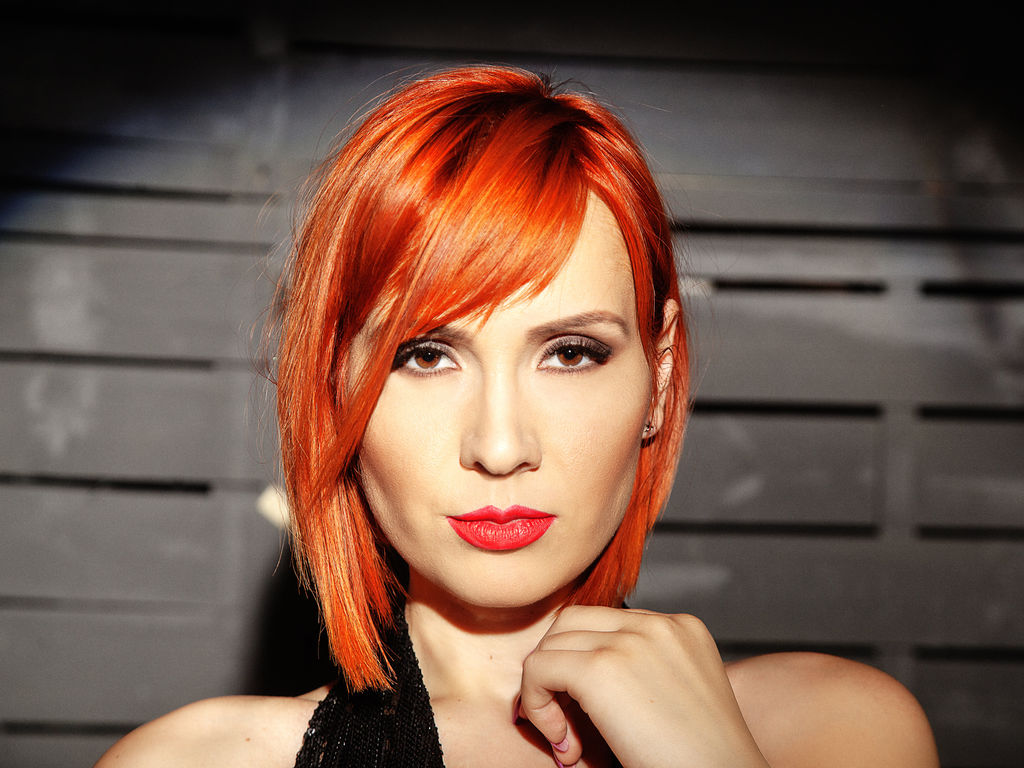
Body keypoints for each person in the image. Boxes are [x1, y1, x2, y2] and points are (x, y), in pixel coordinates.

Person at [95, 65, 938, 768]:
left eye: (570, 352)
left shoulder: (832, 732)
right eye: (425, 355)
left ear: (659, 378)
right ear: (333, 387)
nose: (500, 447)